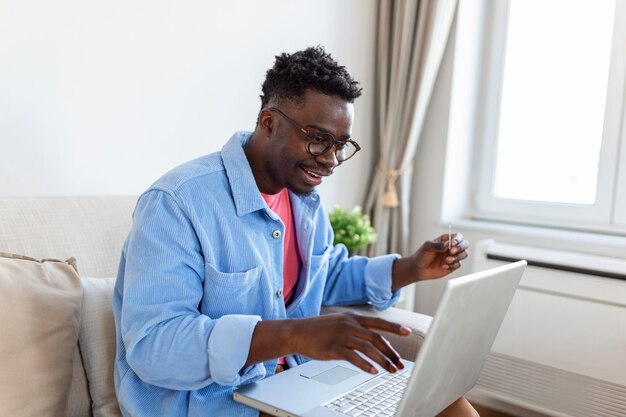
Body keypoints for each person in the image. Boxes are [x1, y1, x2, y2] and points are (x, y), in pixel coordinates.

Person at [113, 46, 477, 417]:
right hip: (218, 402)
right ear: (269, 123)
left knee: (451, 405)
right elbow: (153, 347)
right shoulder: (177, 203)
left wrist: (411, 269)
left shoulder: (302, 198)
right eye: (318, 139)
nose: (330, 159)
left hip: (296, 385)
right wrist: (297, 334)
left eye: (340, 145)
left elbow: (326, 275)